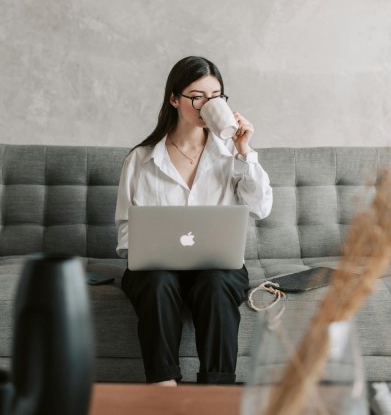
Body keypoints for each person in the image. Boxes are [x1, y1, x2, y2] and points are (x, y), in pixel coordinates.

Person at [114, 56, 273, 386]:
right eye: (197, 96)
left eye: (216, 96)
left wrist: (245, 151)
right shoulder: (141, 159)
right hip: (156, 269)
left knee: (217, 284)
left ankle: (216, 391)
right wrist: (148, 250)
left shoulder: (231, 154)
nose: (207, 105)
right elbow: (126, 231)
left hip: (216, 266)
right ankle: (163, 388)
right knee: (157, 283)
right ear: (174, 99)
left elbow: (261, 208)